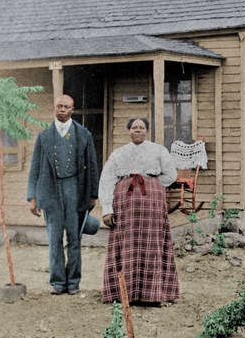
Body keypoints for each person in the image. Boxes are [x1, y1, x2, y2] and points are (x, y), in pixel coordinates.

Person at [99, 117, 180, 305]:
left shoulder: (158, 150)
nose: (137, 130)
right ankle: (123, 293)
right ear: (128, 131)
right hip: (125, 203)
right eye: (134, 127)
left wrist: (154, 185)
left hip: (151, 202)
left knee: (153, 243)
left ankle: (153, 294)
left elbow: (170, 174)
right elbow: (107, 180)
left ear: (147, 131)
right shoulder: (119, 153)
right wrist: (107, 209)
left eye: (141, 127)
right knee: (126, 243)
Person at [26, 94, 100, 295]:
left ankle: (74, 282)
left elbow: (92, 165)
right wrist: (32, 197)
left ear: (72, 110)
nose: (62, 110)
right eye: (59, 106)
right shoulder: (43, 137)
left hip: (75, 189)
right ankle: (57, 282)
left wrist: (93, 193)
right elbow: (34, 168)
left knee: (75, 238)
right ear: (54, 108)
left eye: (66, 107)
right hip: (50, 191)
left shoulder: (83, 134)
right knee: (54, 238)